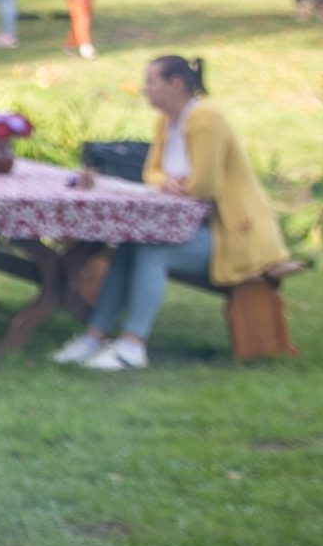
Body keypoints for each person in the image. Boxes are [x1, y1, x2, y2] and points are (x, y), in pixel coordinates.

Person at [56, 55, 288, 371]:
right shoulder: (166, 120)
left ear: (175, 84)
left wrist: (176, 184)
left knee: (152, 251)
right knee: (128, 244)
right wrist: (166, 181)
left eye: (151, 82)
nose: (145, 89)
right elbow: (150, 172)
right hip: (195, 228)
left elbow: (205, 186)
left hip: (234, 235)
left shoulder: (205, 119)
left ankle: (132, 346)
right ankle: (94, 336)